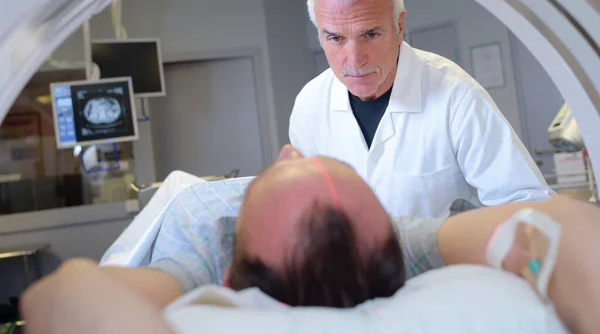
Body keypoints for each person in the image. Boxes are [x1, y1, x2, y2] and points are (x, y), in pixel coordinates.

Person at [20, 145, 600, 334]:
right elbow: (556, 227)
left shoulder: (204, 242)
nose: (292, 150)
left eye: (265, 178)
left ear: (229, 272)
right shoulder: (394, 239)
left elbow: (65, 293)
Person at [289, 0, 553, 216]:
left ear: (399, 26)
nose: (355, 59)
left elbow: (527, 204)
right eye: (336, 38)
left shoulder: (456, 96)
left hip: (446, 259)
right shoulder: (310, 104)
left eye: (370, 34)